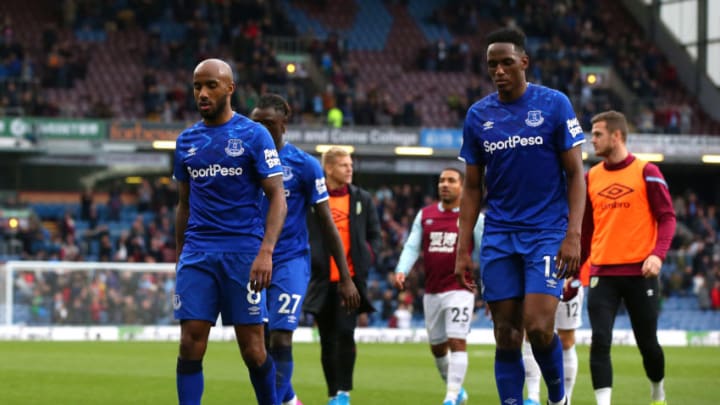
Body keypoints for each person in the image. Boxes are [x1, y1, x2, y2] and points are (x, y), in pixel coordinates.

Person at [454, 27, 586, 405]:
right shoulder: (478, 115)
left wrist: (572, 235)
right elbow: (473, 187)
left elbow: (576, 174)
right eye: (492, 64)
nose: (498, 71)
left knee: (540, 327)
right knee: (506, 333)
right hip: (498, 235)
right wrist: (464, 248)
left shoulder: (554, 104)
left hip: (546, 232)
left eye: (506, 62)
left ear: (524, 62)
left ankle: (558, 398)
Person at [173, 58, 287, 405]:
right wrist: (180, 258)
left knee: (253, 349)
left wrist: (265, 251)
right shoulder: (185, 141)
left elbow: (277, 196)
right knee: (191, 342)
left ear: (229, 89)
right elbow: (184, 204)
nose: (203, 93)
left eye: (211, 85)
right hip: (198, 253)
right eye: (197, 86)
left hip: (243, 252)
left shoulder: (254, 135)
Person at [250, 94, 361, 405]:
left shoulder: (304, 165)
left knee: (281, 336)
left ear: (284, 123)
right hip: (250, 261)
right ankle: (289, 400)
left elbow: (327, 223)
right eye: (255, 123)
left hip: (290, 262)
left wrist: (347, 277)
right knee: (255, 346)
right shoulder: (244, 161)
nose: (260, 130)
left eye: (268, 123)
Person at [583, 110, 676, 405]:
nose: (592, 140)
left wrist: (657, 256)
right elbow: (586, 232)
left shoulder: (647, 171)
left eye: (597, 134)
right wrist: (573, 272)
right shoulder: (590, 178)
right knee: (599, 340)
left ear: (617, 135)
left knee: (648, 344)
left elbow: (668, 217)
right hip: (602, 273)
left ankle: (657, 391)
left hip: (640, 273)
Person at [393, 168, 484, 405]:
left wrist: (490, 285)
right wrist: (402, 269)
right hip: (432, 291)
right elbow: (413, 246)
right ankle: (457, 391)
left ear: (462, 187)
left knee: (457, 341)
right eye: (442, 180)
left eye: (451, 181)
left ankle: (451, 397)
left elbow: (485, 250)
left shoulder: (472, 215)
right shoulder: (426, 215)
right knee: (437, 348)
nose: (445, 184)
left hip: (460, 288)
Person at [303, 146, 382, 405]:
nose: (350, 168)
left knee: (346, 334)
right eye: (343, 165)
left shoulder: (362, 199)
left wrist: (365, 256)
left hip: (351, 283)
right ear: (328, 168)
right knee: (327, 339)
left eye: (350, 164)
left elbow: (374, 236)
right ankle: (332, 392)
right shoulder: (313, 199)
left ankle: (344, 393)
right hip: (322, 281)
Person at [524, 275, 584, 405]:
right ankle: (532, 397)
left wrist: (573, 273)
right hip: (538, 276)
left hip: (568, 280)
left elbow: (586, 253)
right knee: (531, 332)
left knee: (566, 341)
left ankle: (566, 398)